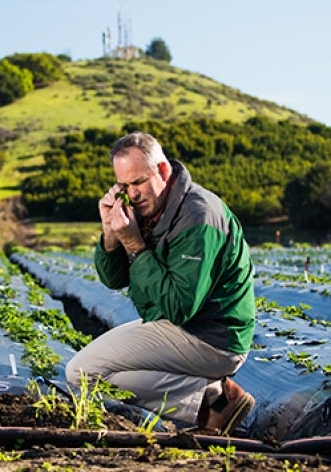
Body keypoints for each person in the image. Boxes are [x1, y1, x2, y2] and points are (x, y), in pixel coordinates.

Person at [66, 131, 256, 436]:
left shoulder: (198, 215)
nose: (133, 194)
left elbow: (180, 306)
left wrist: (136, 247)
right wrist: (110, 234)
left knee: (83, 372)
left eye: (138, 182)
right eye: (124, 186)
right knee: (88, 367)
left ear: (163, 171)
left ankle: (212, 402)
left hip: (212, 338)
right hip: (180, 326)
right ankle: (211, 397)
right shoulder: (150, 208)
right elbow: (114, 279)